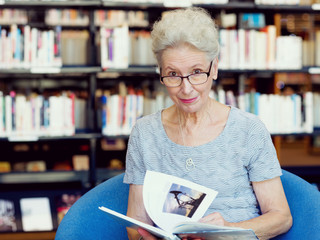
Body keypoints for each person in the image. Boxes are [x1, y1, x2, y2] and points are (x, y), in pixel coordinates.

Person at [124, 7, 292, 240]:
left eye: (196, 72)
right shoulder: (145, 133)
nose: (186, 88)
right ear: (160, 73)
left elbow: (281, 217)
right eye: (173, 74)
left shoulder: (248, 130)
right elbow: (136, 224)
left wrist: (228, 231)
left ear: (214, 68)